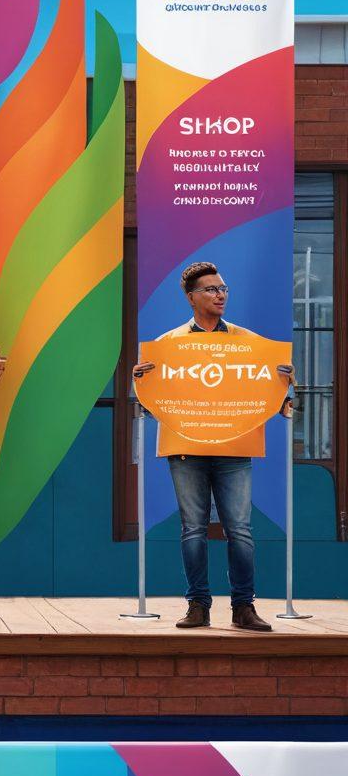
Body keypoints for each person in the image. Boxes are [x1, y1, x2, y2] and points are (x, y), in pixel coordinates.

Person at [133, 261, 294, 633]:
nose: (220, 295)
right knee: (193, 529)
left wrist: (286, 384)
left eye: (223, 288)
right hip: (186, 449)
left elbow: (276, 395)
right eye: (211, 289)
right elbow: (153, 401)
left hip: (235, 449)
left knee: (240, 530)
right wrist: (140, 384)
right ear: (191, 298)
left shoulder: (250, 344)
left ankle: (243, 607)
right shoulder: (168, 346)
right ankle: (198, 606)